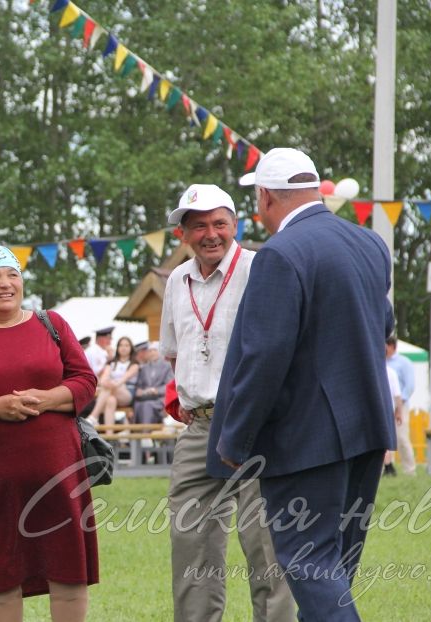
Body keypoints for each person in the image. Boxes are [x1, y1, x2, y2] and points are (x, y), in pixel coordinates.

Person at [207, 148, 395, 621]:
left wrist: (236, 437)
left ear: (266, 196)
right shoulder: (370, 243)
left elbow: (264, 355)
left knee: (310, 563)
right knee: (334, 566)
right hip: (369, 428)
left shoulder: (279, 254)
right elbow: (384, 327)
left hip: (307, 437)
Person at [0, 245, 98, 621]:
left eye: (12, 274)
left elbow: (85, 381)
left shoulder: (52, 324)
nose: (5, 283)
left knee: (67, 565)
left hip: (60, 473)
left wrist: (47, 399)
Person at [160, 183, 294, 622]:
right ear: (182, 233)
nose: (211, 233)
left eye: (219, 223)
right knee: (190, 544)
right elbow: (175, 351)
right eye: (198, 225)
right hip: (199, 428)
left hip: (257, 424)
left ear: (236, 224)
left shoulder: (261, 269)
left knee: (266, 544)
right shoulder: (177, 280)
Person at [87, 336, 139, 424]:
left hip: (127, 393)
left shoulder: (134, 364)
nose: (123, 348)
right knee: (111, 400)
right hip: (110, 391)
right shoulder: (111, 363)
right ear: (117, 348)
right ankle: (109, 435)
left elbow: (123, 379)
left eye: (126, 345)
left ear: (131, 348)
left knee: (108, 387)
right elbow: (103, 379)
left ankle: (93, 416)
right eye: (121, 345)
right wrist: (106, 383)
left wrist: (110, 384)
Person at [385, 337, 417, 475]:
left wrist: (398, 406)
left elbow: (409, 386)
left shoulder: (404, 363)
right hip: (384, 406)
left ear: (391, 346)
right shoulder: (380, 361)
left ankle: (410, 470)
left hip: (400, 405)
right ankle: (387, 467)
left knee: (402, 438)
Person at [131, 342, 174, 425]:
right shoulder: (144, 368)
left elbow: (170, 384)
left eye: (154, 350)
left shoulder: (167, 366)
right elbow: (139, 385)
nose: (152, 353)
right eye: (150, 351)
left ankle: (146, 434)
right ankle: (139, 434)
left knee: (147, 405)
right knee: (138, 405)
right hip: (145, 397)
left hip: (160, 398)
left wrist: (157, 390)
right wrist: (139, 391)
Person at [382, 364, 404, 476]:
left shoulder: (387, 372)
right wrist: (399, 411)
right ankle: (388, 466)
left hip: (380, 410)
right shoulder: (391, 372)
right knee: (386, 440)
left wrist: (399, 411)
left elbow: (397, 395)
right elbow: (397, 395)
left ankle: (388, 466)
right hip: (387, 410)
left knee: (383, 441)